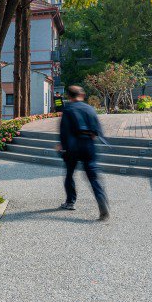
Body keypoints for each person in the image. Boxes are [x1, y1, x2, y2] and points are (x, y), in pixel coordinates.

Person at [57, 85, 109, 220]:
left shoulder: (68, 109)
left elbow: (64, 131)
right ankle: (102, 201)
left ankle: (70, 202)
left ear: (69, 96)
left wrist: (62, 145)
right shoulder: (90, 109)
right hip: (88, 145)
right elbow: (97, 130)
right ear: (82, 95)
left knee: (69, 174)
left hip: (73, 146)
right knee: (93, 176)